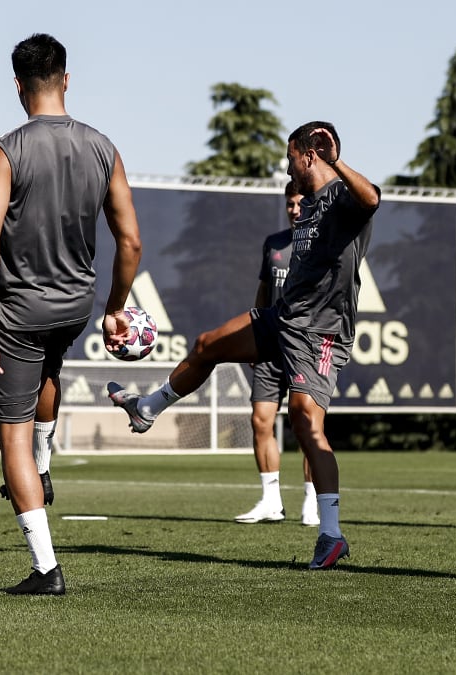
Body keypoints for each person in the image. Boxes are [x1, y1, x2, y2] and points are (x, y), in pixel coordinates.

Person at [108, 121, 379, 570]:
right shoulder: (308, 204)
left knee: (306, 422)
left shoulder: (343, 198)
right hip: (283, 320)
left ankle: (330, 533)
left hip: (321, 333)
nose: (285, 165)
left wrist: (335, 161)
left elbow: (372, 199)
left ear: (308, 154)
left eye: (290, 155)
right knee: (207, 344)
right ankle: (148, 407)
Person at [0, 33, 143, 595]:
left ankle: (45, 568)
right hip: (76, 305)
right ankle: (45, 458)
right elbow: (132, 242)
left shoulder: (2, 150)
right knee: (49, 373)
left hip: (20, 310)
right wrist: (115, 310)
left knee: (10, 437)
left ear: (17, 85)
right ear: (66, 79)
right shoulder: (103, 146)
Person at [235, 181, 319, 526]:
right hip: (270, 345)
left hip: (306, 347)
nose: (295, 209)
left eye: (300, 203)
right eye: (290, 204)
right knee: (260, 421)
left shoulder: (322, 243)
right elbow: (263, 289)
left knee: (308, 426)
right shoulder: (273, 243)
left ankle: (312, 503)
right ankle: (271, 501)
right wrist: (255, 333)